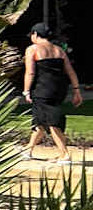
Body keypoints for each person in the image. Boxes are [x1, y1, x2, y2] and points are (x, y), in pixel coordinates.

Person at [23, 23, 83, 159]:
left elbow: (30, 72)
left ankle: (65, 154)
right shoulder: (59, 50)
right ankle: (28, 149)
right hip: (59, 90)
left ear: (35, 34)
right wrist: (76, 91)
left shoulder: (32, 49)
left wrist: (26, 91)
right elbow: (70, 71)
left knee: (52, 122)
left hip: (42, 90)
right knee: (40, 120)